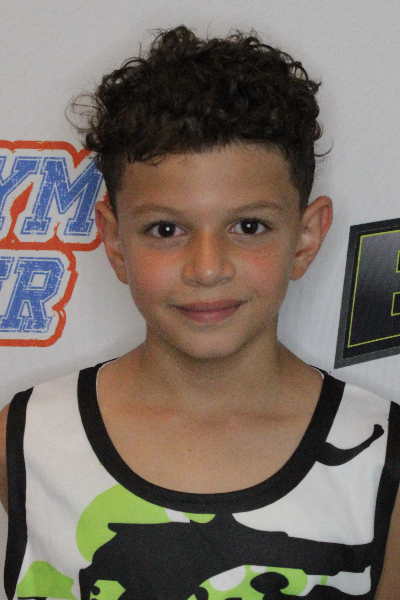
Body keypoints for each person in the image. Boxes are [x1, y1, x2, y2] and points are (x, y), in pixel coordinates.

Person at [0, 25, 399, 600]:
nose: (207, 268)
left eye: (249, 226)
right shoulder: (26, 438)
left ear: (306, 237)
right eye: (166, 230)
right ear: (114, 241)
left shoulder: (382, 459)